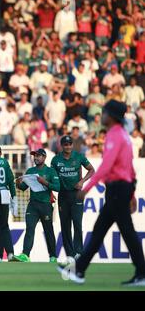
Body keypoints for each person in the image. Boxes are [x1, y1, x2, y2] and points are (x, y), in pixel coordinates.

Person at [58, 100, 145, 286]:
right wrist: (131, 194)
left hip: (117, 189)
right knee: (112, 231)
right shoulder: (123, 135)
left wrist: (87, 189)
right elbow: (129, 169)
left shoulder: (115, 135)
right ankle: (80, 270)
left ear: (111, 116)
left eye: (104, 112)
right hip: (122, 188)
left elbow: (106, 166)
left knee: (111, 231)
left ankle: (79, 270)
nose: (101, 114)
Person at [51, 136, 95, 262]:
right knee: (65, 226)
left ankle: (79, 252)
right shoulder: (55, 160)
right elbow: (51, 177)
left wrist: (82, 181)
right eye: (65, 144)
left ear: (72, 145)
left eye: (70, 144)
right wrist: (50, 192)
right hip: (63, 195)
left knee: (77, 223)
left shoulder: (79, 156)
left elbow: (92, 170)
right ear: (61, 146)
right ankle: (70, 254)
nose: (68, 146)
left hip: (76, 194)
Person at [14, 148, 60, 262]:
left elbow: (58, 187)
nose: (36, 158)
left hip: (46, 205)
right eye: (35, 156)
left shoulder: (50, 171)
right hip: (33, 204)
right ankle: (25, 255)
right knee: (29, 228)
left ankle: (53, 256)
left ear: (44, 158)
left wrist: (44, 182)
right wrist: (18, 184)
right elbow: (24, 188)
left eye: (38, 156)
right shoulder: (30, 171)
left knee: (48, 230)